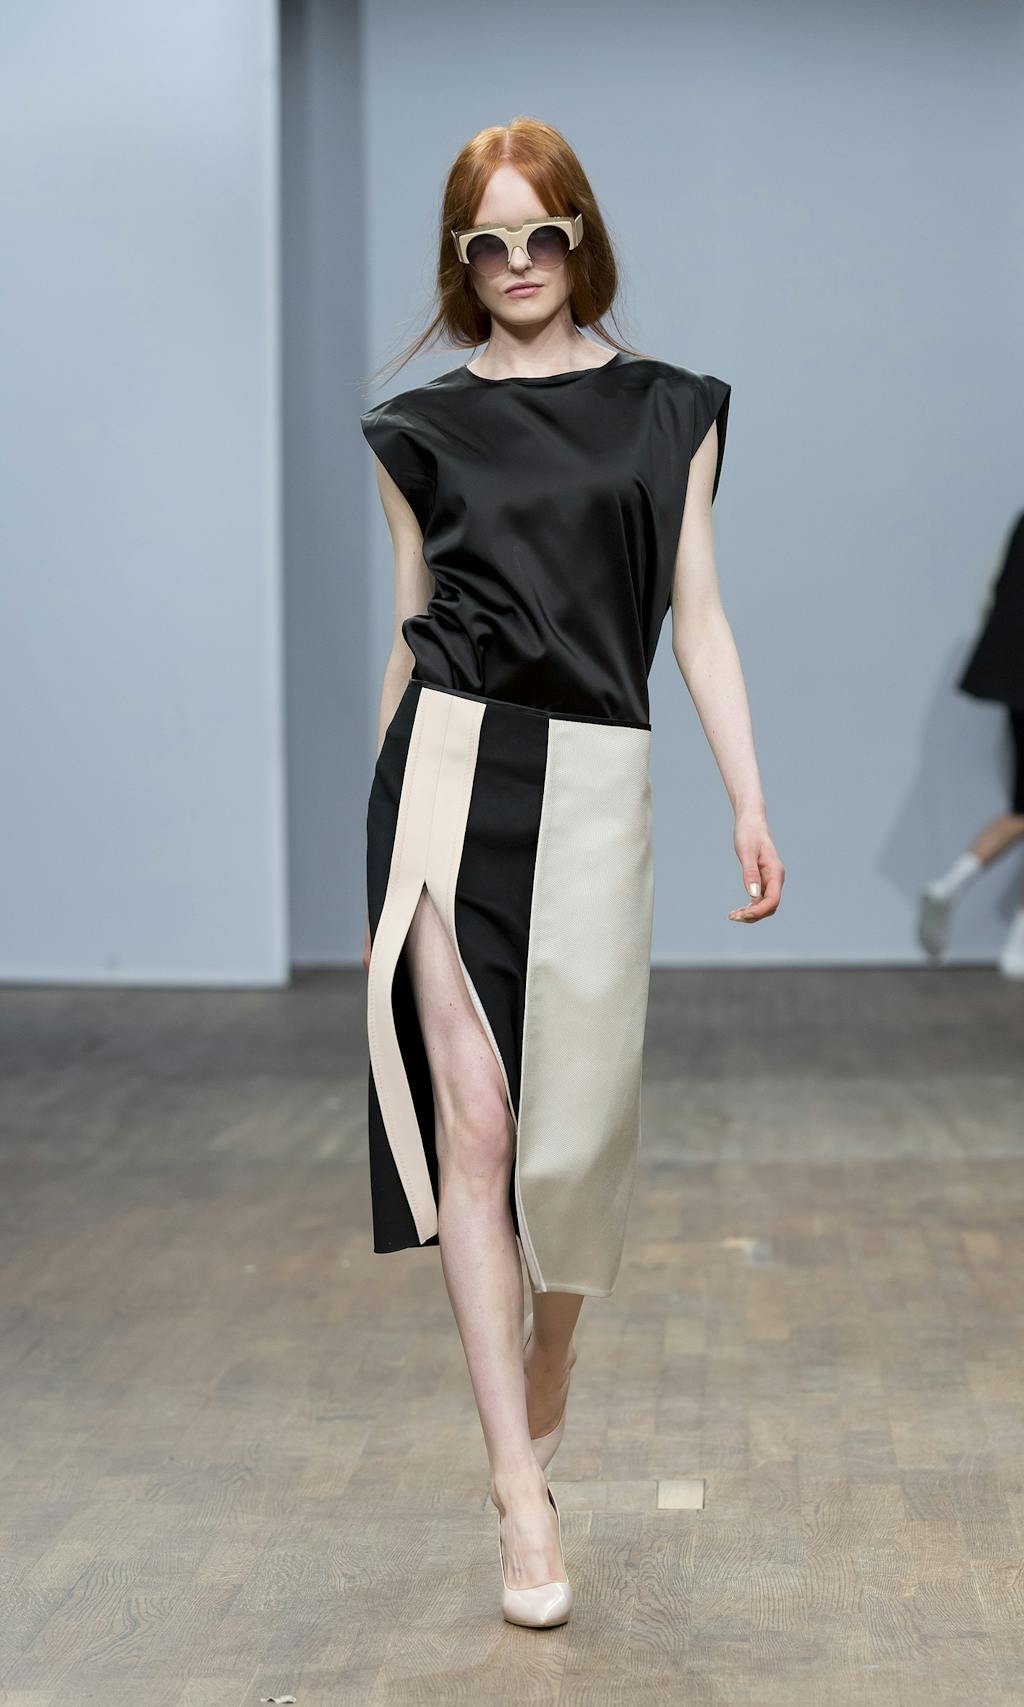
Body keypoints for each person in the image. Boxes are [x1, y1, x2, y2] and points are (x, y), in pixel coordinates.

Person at [358, 117, 784, 1628]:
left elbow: (698, 618)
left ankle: (557, 1339)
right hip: (445, 775)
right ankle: (517, 1493)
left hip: (596, 779)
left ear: (581, 235)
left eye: (543, 233)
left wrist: (747, 795)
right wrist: (379, 829)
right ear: (461, 259)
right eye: (490, 241)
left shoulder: (672, 411)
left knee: (581, 1133)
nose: (520, 262)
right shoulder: (416, 432)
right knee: (474, 1122)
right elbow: (408, 630)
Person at [918, 509, 1024, 978]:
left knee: (1021, 807)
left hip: (1012, 678)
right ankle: (1016, 944)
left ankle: (954, 883)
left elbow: (999, 591)